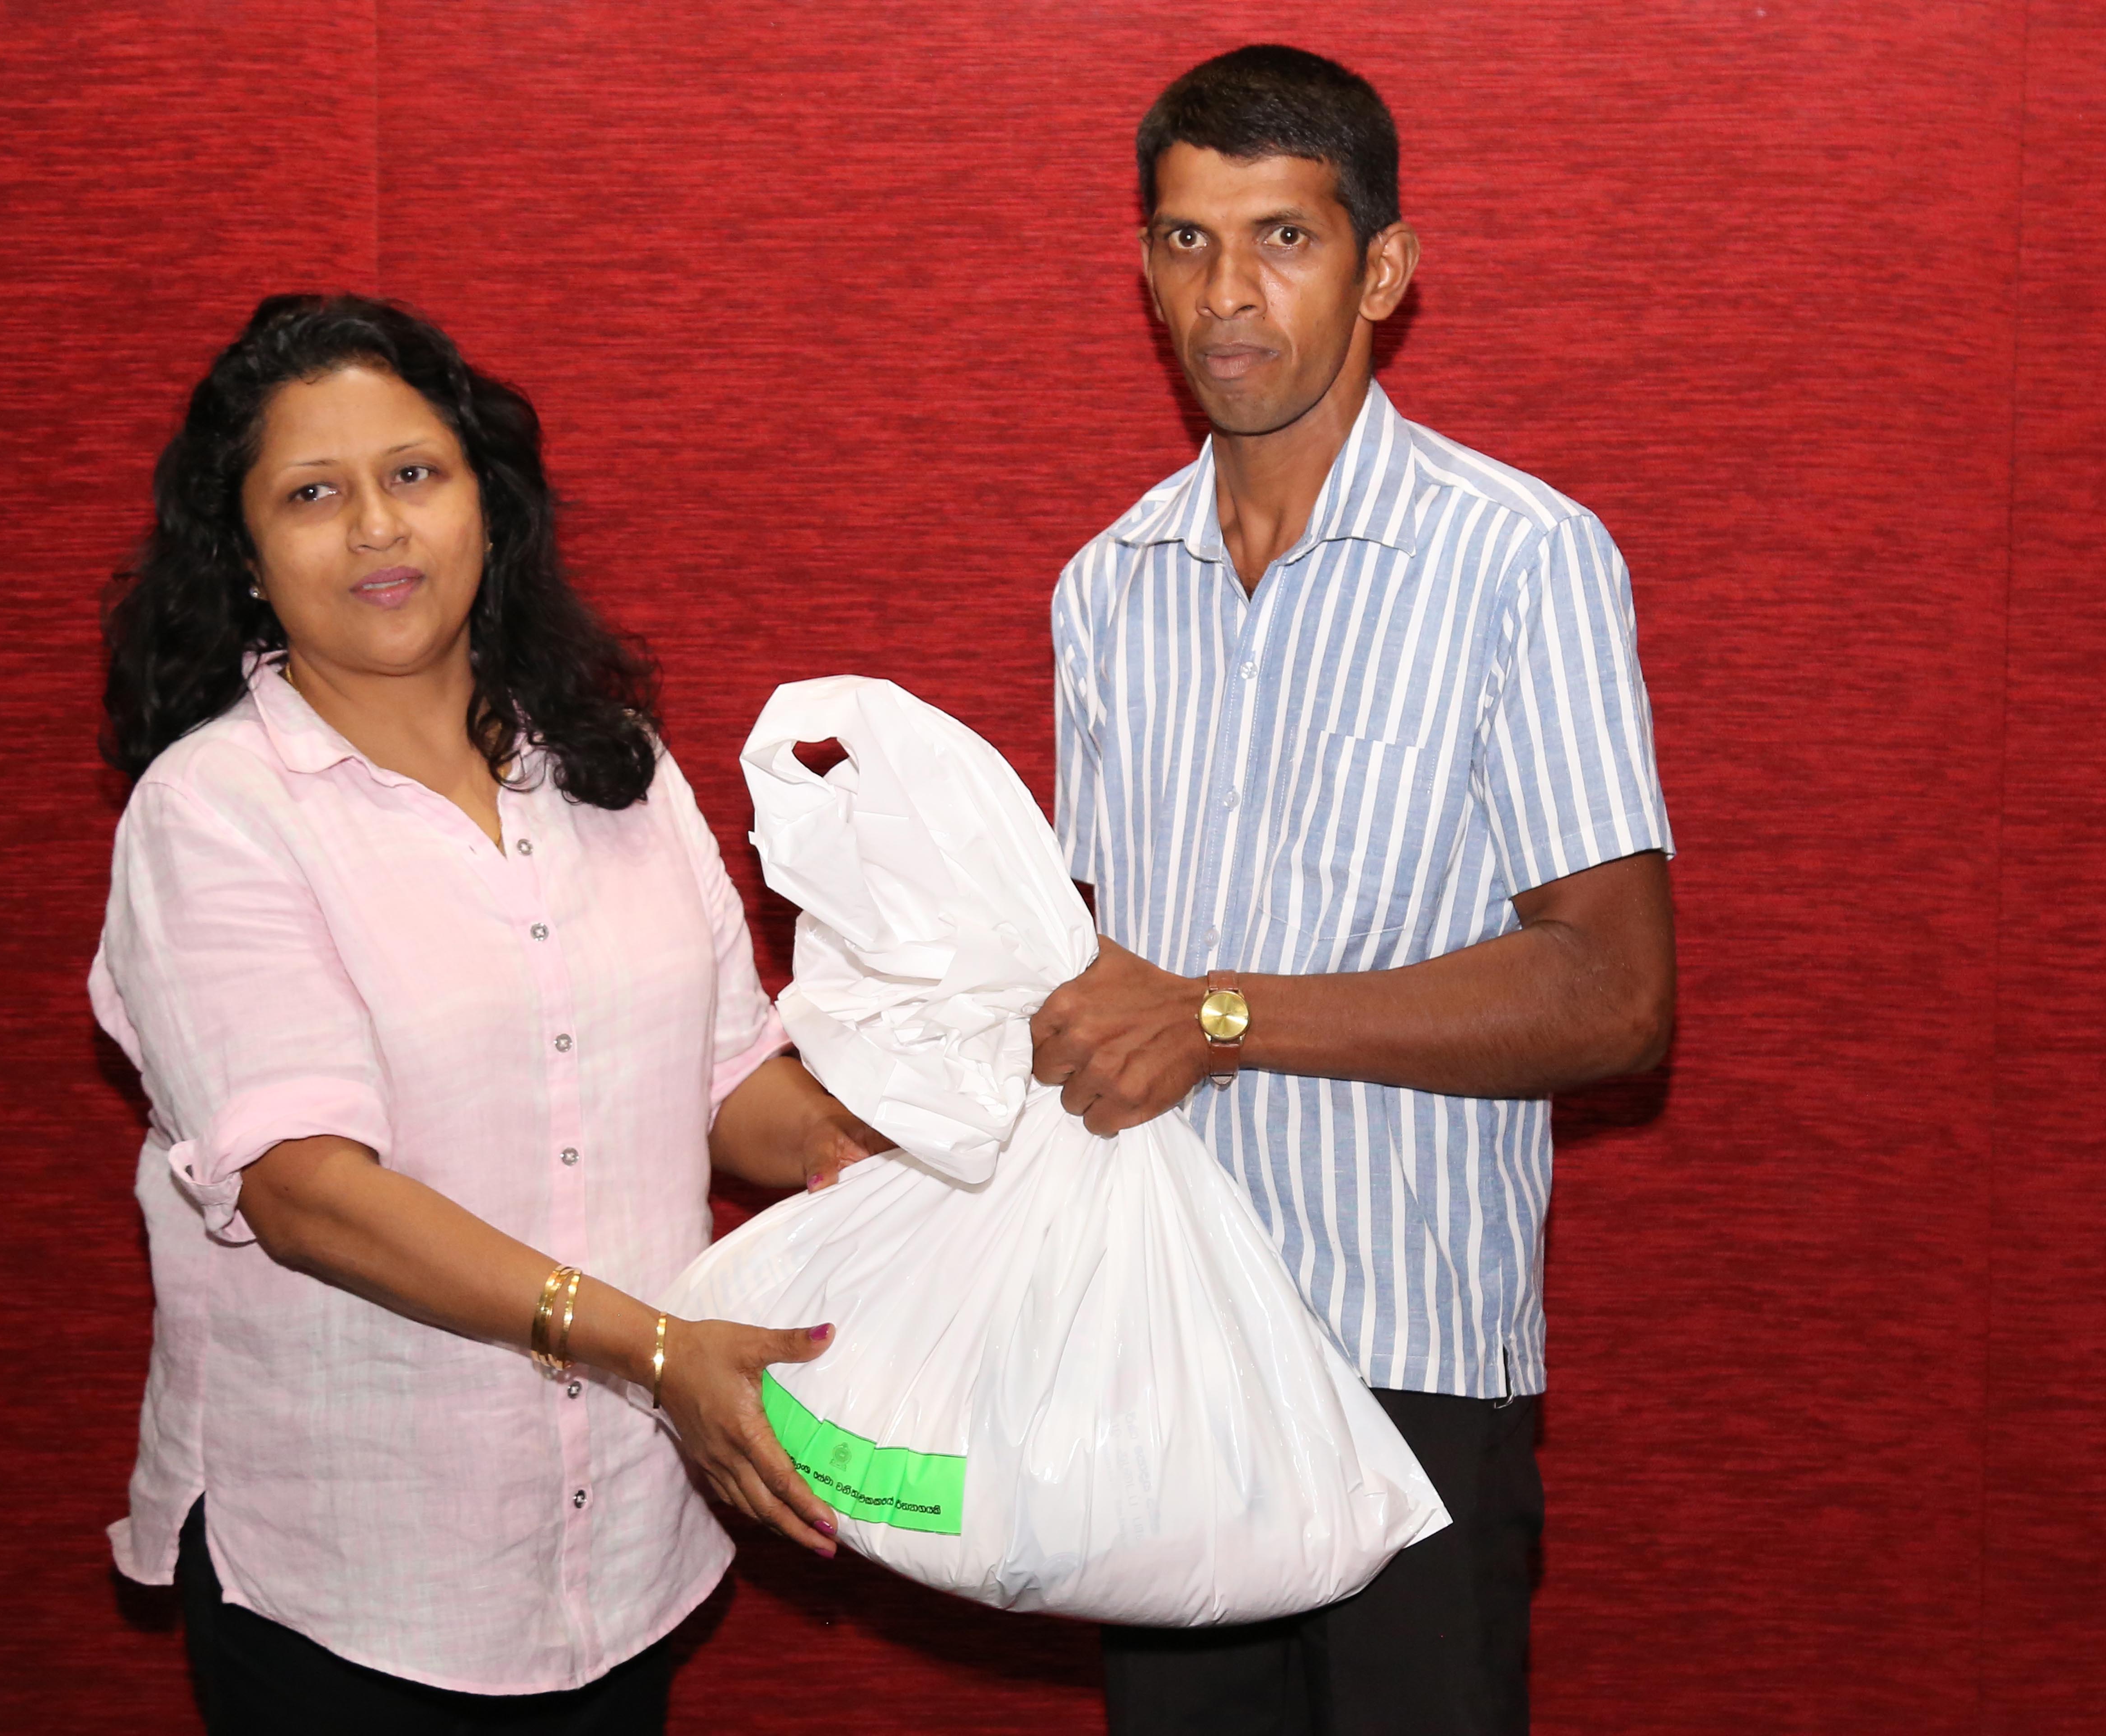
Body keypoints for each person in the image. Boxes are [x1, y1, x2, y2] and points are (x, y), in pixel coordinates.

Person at [93, 294, 885, 1734]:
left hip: (627, 1547)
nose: (379, 529)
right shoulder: (213, 815)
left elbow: (728, 1087)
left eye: (415, 475)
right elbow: (306, 1192)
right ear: (249, 559)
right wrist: (652, 1348)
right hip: (356, 1580)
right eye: (314, 495)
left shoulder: (616, 768)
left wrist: (919, 1146)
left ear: (487, 508)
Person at [1029, 47, 1677, 1736]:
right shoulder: (1105, 590)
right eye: (1183, 242)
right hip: (1162, 1354)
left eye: (1282, 239)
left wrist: (1221, 1015)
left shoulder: (1522, 557)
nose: (1225, 295)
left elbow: (1614, 997)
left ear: (1383, 269)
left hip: (1417, 1375)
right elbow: (1105, 982)